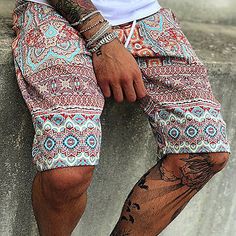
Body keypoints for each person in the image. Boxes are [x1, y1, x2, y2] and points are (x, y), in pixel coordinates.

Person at [11, 0, 231, 235]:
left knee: (205, 153)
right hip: (54, 13)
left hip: (144, 15)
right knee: (68, 172)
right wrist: (102, 40)